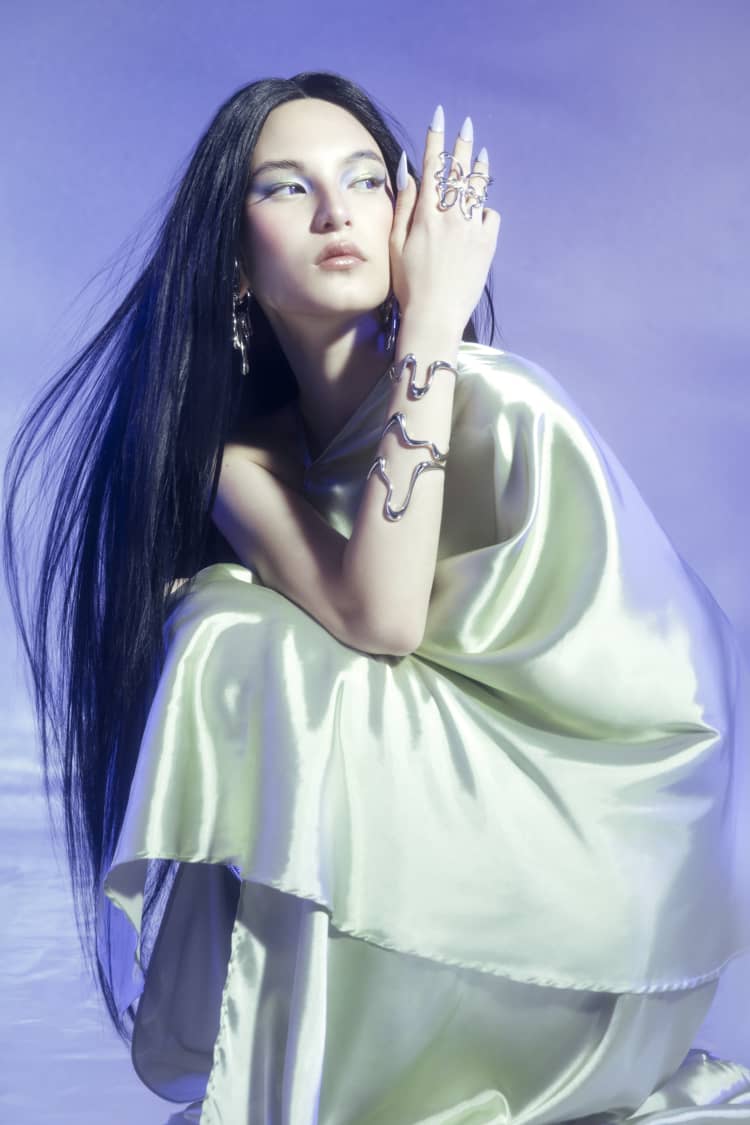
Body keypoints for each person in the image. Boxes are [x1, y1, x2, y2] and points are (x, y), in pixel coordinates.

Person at [4, 70, 750, 1125]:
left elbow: (636, 712)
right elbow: (379, 616)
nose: (336, 212)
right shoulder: (243, 462)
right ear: (233, 264)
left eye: (364, 179)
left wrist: (434, 323)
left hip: (598, 891)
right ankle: (324, 1069)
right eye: (285, 188)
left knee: (235, 628)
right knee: (224, 619)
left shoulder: (505, 409)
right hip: (416, 884)